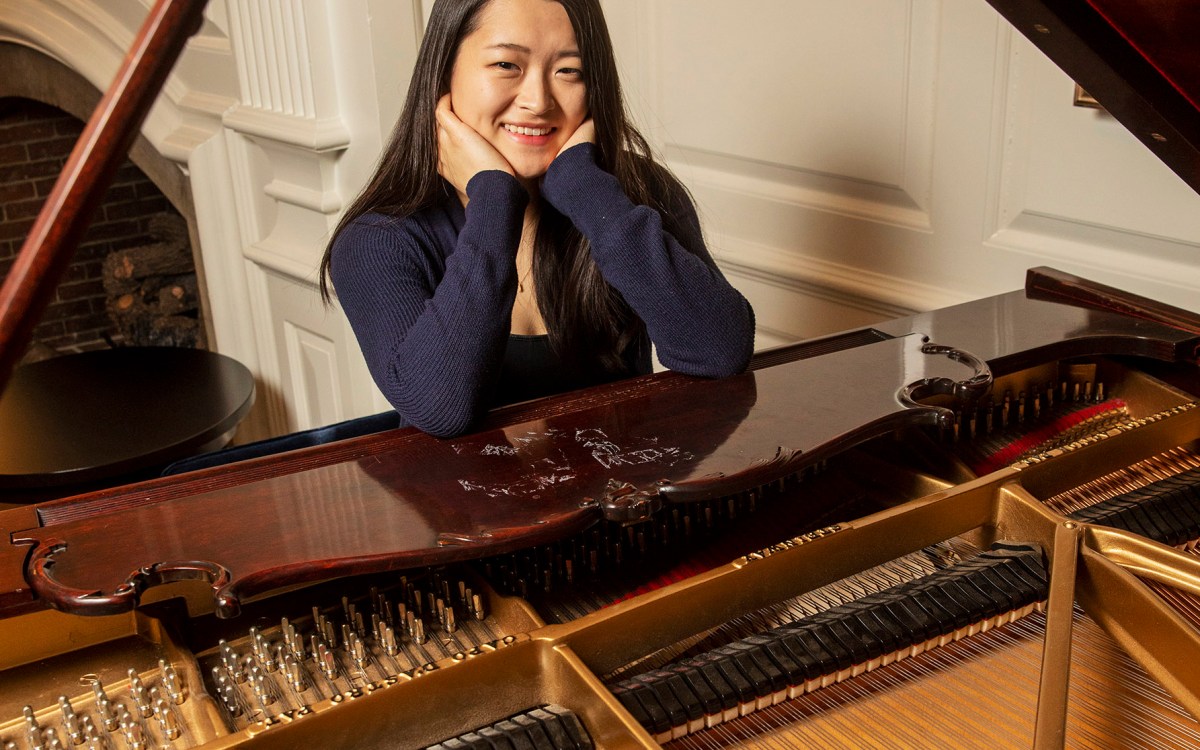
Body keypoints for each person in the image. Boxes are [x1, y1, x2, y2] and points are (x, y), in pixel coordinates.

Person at [320, 0, 755, 439]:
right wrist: (491, 199)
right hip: (466, 505)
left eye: (569, 71)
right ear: (444, 71)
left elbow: (718, 353)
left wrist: (584, 186)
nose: (538, 101)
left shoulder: (630, 194)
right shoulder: (378, 240)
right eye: (507, 64)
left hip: (623, 496)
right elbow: (441, 412)